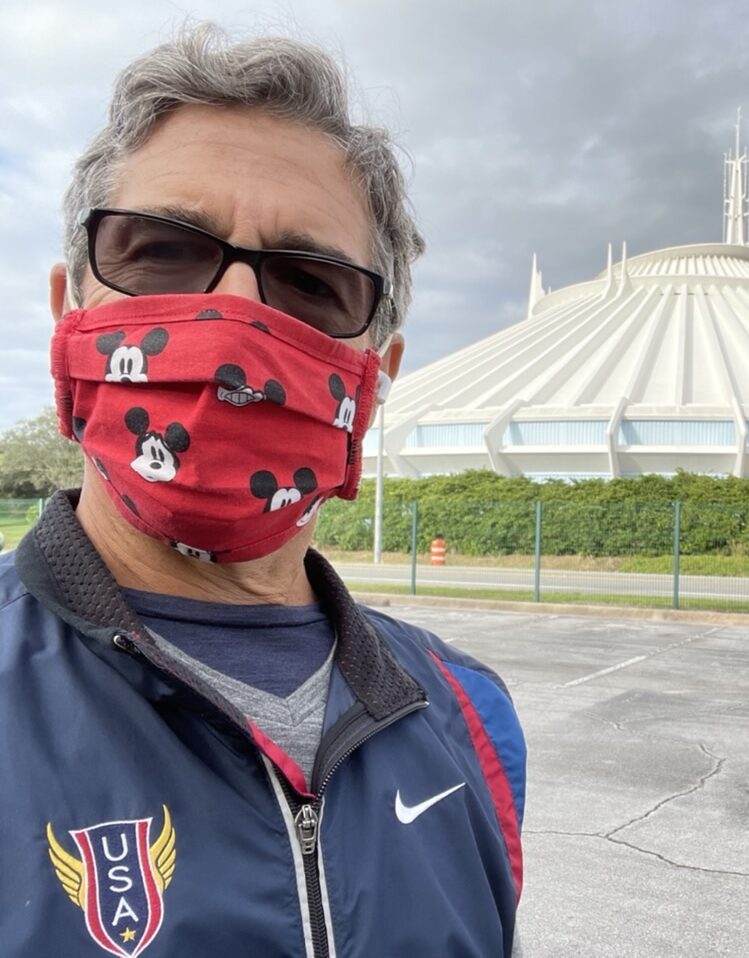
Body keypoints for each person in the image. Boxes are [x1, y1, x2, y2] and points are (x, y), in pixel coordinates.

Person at [0, 24, 525, 957]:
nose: (237, 313)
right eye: (160, 249)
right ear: (66, 308)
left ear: (379, 370)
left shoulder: (468, 716)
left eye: (312, 282)